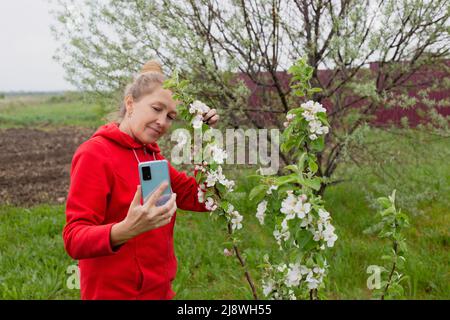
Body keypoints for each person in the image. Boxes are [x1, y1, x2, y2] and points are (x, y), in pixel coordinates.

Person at [63, 60, 219, 300]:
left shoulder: (152, 158)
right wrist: (125, 230)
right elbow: (74, 238)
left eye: (170, 116)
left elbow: (205, 198)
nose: (163, 122)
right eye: (157, 109)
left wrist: (204, 137)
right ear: (130, 104)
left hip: (159, 292)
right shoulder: (95, 154)